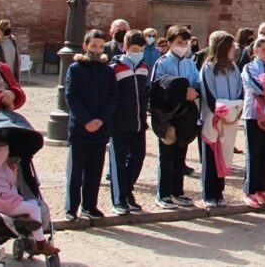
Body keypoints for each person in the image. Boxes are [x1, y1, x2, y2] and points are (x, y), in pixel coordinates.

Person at [64, 29, 119, 220]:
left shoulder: (107, 70)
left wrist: (101, 120)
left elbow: (114, 97)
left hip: (100, 128)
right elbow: (71, 97)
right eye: (93, 45)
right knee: (76, 170)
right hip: (80, 127)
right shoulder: (75, 68)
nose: (97, 49)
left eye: (100, 46)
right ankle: (71, 207)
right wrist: (86, 120)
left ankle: (90, 205)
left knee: (95, 170)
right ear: (85, 46)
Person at [0, 142, 59, 256]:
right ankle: (40, 244)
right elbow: (3, 150)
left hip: (0, 200)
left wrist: (12, 169)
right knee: (34, 209)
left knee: (33, 203)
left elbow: (11, 183)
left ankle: (23, 219)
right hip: (1, 200)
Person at [150, 25, 201, 208]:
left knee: (181, 154)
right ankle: (163, 193)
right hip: (168, 116)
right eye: (179, 42)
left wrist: (193, 92)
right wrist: (181, 91)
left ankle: (177, 191)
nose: (183, 46)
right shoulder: (162, 63)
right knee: (166, 155)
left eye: (186, 43)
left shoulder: (189, 63)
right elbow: (158, 88)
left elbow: (197, 82)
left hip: (185, 115)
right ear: (170, 43)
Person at [108, 29, 150, 216]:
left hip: (139, 122)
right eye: (134, 49)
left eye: (141, 49)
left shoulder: (143, 67)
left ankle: (128, 191)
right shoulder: (114, 68)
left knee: (138, 158)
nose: (138, 52)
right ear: (125, 48)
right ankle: (119, 198)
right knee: (118, 161)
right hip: (120, 123)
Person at [199, 31, 244, 208]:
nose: (234, 50)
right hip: (213, 119)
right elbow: (208, 93)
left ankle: (219, 192)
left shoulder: (234, 68)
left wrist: (235, 111)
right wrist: (221, 112)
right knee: (211, 156)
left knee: (225, 155)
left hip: (230, 120)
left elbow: (240, 91)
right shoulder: (208, 68)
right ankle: (209, 193)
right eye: (231, 46)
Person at [240, 35, 265, 208]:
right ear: (255, 51)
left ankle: (262, 188)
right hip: (253, 115)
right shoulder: (248, 68)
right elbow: (255, 87)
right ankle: (249, 190)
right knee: (254, 153)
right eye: (263, 49)